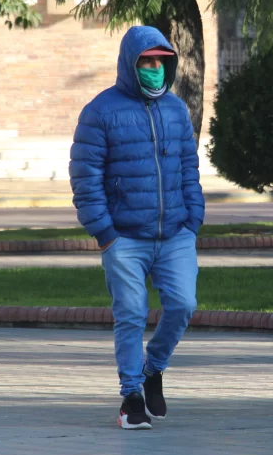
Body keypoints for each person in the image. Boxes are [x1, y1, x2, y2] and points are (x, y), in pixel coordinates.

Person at [69, 26, 205, 430]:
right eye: (147, 61)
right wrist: (105, 233)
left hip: (175, 234)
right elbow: (85, 177)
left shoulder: (176, 110)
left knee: (183, 305)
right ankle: (131, 399)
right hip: (124, 238)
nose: (155, 68)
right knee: (130, 314)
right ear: (130, 63)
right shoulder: (100, 111)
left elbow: (189, 168)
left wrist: (193, 220)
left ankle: (153, 368)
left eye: (161, 61)